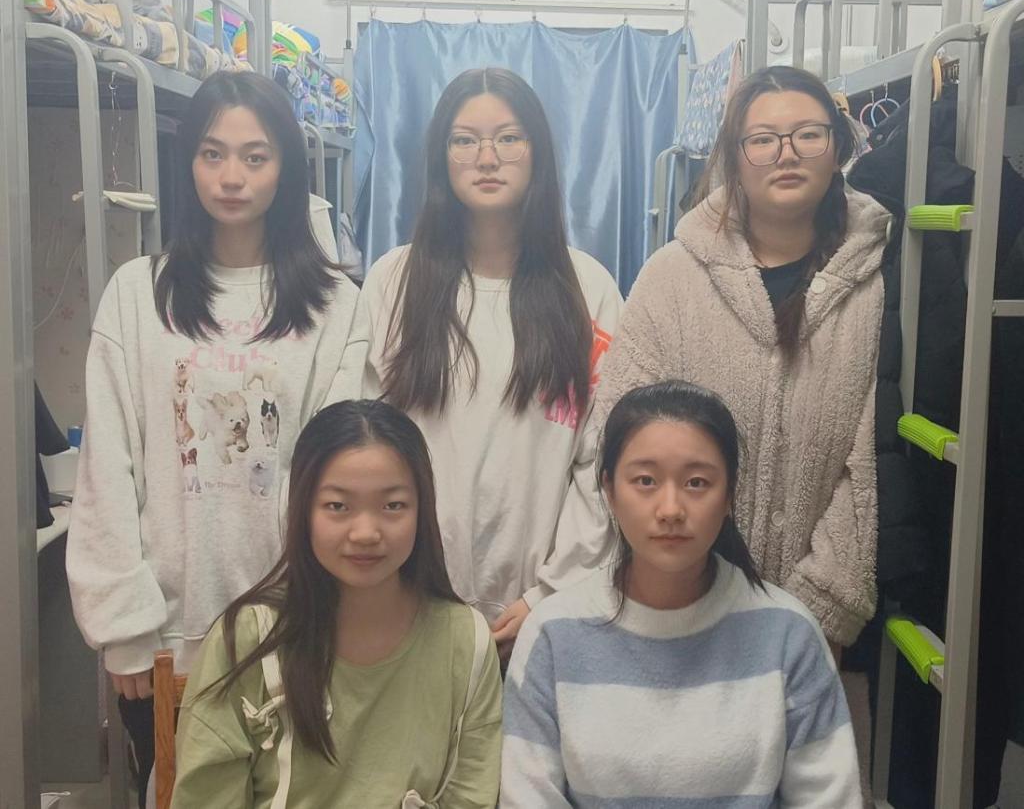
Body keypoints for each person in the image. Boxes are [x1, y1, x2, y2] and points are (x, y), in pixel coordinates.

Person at [66, 70, 367, 804]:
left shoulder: (336, 305)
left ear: (285, 168)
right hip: (164, 640)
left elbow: (342, 480)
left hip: (295, 630)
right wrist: (124, 627)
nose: (232, 177)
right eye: (213, 154)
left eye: (255, 157)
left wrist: (326, 617)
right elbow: (108, 467)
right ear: (189, 162)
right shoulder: (138, 293)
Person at [593, 65, 888, 656]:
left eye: (808, 134)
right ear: (734, 157)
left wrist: (816, 613)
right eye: (763, 139)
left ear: (838, 149)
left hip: (815, 635)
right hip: (673, 606)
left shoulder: (878, 283)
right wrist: (675, 582)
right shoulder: (672, 277)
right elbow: (621, 431)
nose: (787, 153)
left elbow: (869, 461)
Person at [360, 67, 622, 661]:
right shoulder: (394, 281)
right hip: (406, 604)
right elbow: (364, 445)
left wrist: (551, 592)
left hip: (540, 617)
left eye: (508, 138)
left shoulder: (589, 290)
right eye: (464, 140)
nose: (486, 158)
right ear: (440, 157)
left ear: (538, 153)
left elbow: (600, 460)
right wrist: (393, 581)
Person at [501, 381, 862, 807]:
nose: (670, 509)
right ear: (609, 491)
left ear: (729, 495)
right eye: (646, 480)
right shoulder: (552, 635)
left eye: (696, 482)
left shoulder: (789, 635)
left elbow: (829, 799)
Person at [172, 400, 502, 807]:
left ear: (423, 510)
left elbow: (472, 796)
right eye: (337, 506)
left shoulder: (467, 641)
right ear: (303, 510)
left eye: (393, 505)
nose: (365, 532)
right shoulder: (245, 639)